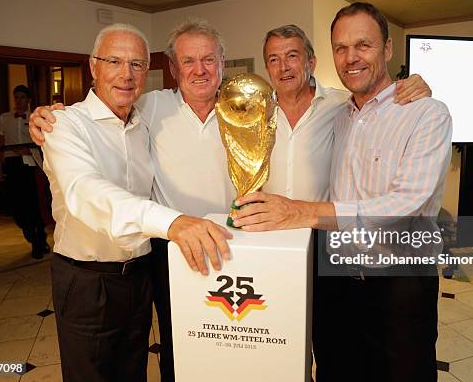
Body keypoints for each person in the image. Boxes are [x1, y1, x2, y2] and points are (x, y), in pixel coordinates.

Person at [29, 19, 431, 381]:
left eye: (208, 60)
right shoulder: (150, 107)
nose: (199, 70)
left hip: (249, 247)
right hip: (169, 252)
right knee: (179, 346)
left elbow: (369, 103)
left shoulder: (249, 103)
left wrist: (413, 85)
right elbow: (86, 184)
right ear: (173, 68)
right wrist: (48, 114)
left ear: (223, 64)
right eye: (188, 61)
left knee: (272, 343)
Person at [232, 2, 452, 381]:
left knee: (403, 372)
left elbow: (407, 202)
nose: (351, 58)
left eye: (363, 45)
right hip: (333, 274)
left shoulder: (426, 113)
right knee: (336, 368)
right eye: (342, 48)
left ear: (387, 49)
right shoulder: (340, 113)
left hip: (397, 280)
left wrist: (300, 211)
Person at [42, 23, 231, 382]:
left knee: (133, 370)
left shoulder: (142, 118)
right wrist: (173, 222)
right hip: (88, 279)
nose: (126, 75)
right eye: (114, 61)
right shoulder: (65, 125)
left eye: (137, 65)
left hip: (140, 274)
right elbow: (86, 191)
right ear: (93, 66)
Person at [0, 85, 49, 258]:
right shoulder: (4, 118)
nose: (19, 101)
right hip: (12, 164)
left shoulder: (37, 118)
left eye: (22, 97)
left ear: (28, 100)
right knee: (17, 205)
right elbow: (0, 147)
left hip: (31, 164)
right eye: (16, 97)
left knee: (34, 204)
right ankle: (30, 236)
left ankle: (39, 241)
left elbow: (46, 144)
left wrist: (30, 152)